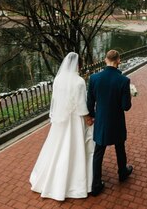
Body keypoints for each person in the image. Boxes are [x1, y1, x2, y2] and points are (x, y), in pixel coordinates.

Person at [30, 52, 95, 200]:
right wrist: (88, 118)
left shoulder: (58, 79)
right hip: (75, 121)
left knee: (57, 147)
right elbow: (80, 104)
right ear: (78, 65)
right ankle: (75, 184)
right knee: (75, 148)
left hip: (62, 120)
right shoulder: (79, 81)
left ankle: (51, 178)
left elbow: (56, 99)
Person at [87, 49, 133, 196]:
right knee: (120, 147)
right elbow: (126, 107)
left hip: (101, 121)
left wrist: (94, 116)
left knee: (98, 152)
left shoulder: (94, 78)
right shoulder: (124, 81)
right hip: (117, 121)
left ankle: (96, 185)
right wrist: (128, 95)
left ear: (105, 60)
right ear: (118, 60)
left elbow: (90, 103)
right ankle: (122, 172)